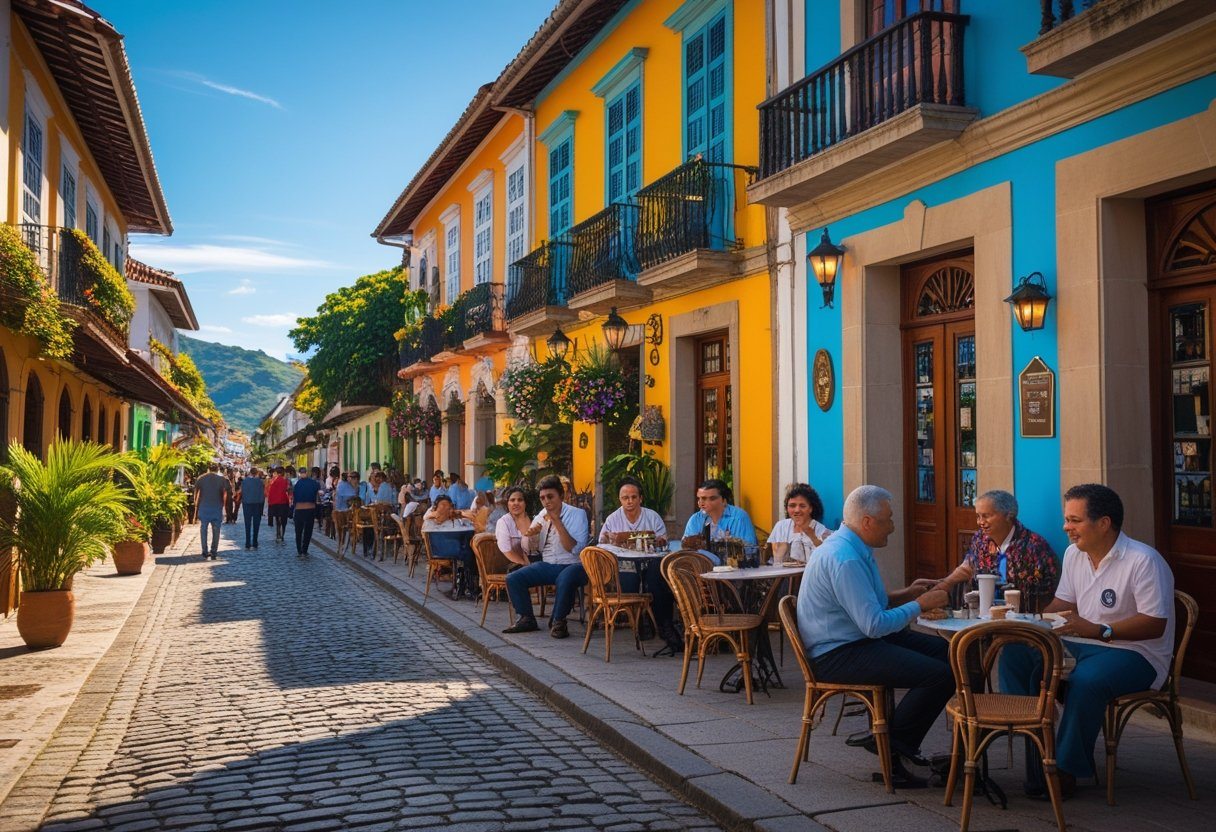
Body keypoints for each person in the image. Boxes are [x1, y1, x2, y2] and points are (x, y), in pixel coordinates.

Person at [999, 484, 1174, 799]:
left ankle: (1066, 768)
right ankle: (1033, 738)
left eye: (1074, 520)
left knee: (1085, 682)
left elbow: (1155, 623)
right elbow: (1062, 605)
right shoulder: (1074, 554)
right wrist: (1027, 624)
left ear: (1103, 523)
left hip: (1136, 654)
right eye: (1067, 519)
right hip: (1085, 644)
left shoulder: (1143, 560)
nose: (1066, 528)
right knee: (1015, 651)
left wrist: (1100, 630)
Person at [796, 485, 953, 787]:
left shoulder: (850, 546)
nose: (893, 527)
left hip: (852, 640)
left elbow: (870, 606)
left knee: (951, 653)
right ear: (867, 521)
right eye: (888, 520)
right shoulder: (845, 558)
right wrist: (919, 604)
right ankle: (895, 745)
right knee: (941, 676)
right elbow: (874, 624)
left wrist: (905, 595)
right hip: (837, 654)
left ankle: (895, 743)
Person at [935, 490, 1058, 611]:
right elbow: (968, 566)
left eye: (986, 516)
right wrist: (940, 585)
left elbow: (1051, 591)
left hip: (1022, 618)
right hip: (983, 614)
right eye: (978, 516)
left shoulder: (1034, 546)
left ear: (1009, 515)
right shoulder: (980, 539)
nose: (981, 522)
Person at [503, 476, 590, 639]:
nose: (546, 502)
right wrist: (531, 536)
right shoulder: (541, 516)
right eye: (542, 498)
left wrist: (556, 520)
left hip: (574, 564)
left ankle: (559, 621)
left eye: (550, 497)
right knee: (513, 578)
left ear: (561, 496)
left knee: (565, 577)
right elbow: (531, 551)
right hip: (549, 564)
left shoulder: (578, 515)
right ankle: (526, 618)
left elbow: (574, 548)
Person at [599, 477, 673, 643]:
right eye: (625, 498)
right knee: (629, 578)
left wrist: (659, 540)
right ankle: (638, 620)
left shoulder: (652, 516)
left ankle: (661, 623)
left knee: (656, 578)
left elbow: (663, 540)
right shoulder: (612, 519)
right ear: (620, 499)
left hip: (649, 562)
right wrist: (610, 538)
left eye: (633, 497)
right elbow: (601, 543)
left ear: (640, 498)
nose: (630, 501)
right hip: (624, 563)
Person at [681, 479, 757, 563]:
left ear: (724, 500)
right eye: (700, 498)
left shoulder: (738, 517)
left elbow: (749, 550)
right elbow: (688, 551)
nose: (701, 503)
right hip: (702, 569)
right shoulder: (695, 519)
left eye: (709, 499)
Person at [423, 495, 477, 598]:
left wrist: (460, 513)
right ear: (436, 507)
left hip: (455, 546)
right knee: (469, 552)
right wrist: (440, 514)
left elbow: (473, 518)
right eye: (443, 505)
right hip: (440, 549)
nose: (446, 507)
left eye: (448, 505)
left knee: (471, 548)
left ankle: (466, 584)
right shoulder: (430, 519)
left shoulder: (454, 520)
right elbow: (427, 516)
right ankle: (467, 584)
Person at [769, 483, 833, 564]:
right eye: (792, 506)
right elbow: (777, 560)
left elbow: (826, 557)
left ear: (811, 509)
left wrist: (813, 538)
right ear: (787, 508)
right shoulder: (781, 526)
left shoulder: (821, 531)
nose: (797, 510)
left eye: (802, 506)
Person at [194, 463, 231, 560]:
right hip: (216, 507)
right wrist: (223, 505)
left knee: (203, 530)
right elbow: (226, 494)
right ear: (218, 469)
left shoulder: (201, 479)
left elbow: (196, 494)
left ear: (208, 469)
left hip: (204, 507)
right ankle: (214, 551)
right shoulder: (222, 480)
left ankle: (204, 551)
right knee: (216, 530)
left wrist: (196, 505)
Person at [495, 486, 536, 568]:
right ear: (507, 504)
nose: (516, 503)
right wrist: (527, 566)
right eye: (512, 500)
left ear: (525, 503)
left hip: (538, 561)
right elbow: (507, 551)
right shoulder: (503, 522)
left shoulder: (534, 520)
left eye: (520, 500)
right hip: (516, 565)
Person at [363, 470, 396, 557]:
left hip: (382, 516)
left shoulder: (382, 487)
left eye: (377, 479)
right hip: (389, 514)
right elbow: (394, 501)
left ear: (381, 478)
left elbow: (376, 500)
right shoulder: (390, 487)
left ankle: (369, 549)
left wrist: (371, 492)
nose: (376, 480)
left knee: (368, 526)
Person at [291, 467, 322, 556]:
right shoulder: (313, 483)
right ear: (306, 473)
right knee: (308, 531)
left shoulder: (297, 484)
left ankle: (299, 550)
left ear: (300, 473)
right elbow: (318, 493)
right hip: (310, 508)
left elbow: (294, 498)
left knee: (298, 531)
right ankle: (304, 550)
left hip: (299, 509)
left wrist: (292, 509)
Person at [239, 468, 266, 550]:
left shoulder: (245, 481)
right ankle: (255, 542)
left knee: (247, 524)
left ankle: (247, 543)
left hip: (247, 504)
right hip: (257, 504)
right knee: (256, 524)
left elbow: (243, 492)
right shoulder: (260, 482)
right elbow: (262, 494)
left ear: (250, 472)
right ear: (257, 473)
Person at [266, 467, 292, 544]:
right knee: (284, 519)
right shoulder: (286, 481)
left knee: (277, 519)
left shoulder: (272, 481)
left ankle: (278, 533)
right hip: (283, 502)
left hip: (275, 503)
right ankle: (282, 534)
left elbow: (269, 492)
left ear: (276, 473)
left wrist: (270, 502)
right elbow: (289, 491)